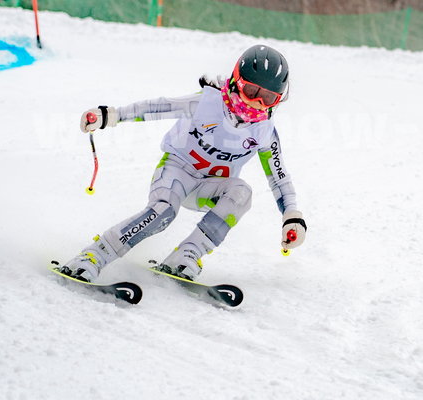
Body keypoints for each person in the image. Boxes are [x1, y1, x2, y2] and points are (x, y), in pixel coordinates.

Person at [58, 44, 306, 283]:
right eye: (251, 91)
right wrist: (109, 115)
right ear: (236, 80)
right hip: (177, 172)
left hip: (208, 189)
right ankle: (92, 256)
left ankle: (187, 255)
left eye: (268, 98)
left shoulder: (264, 131)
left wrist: (292, 216)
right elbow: (157, 106)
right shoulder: (207, 102)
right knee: (163, 212)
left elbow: (279, 177)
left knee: (242, 193)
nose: (257, 103)